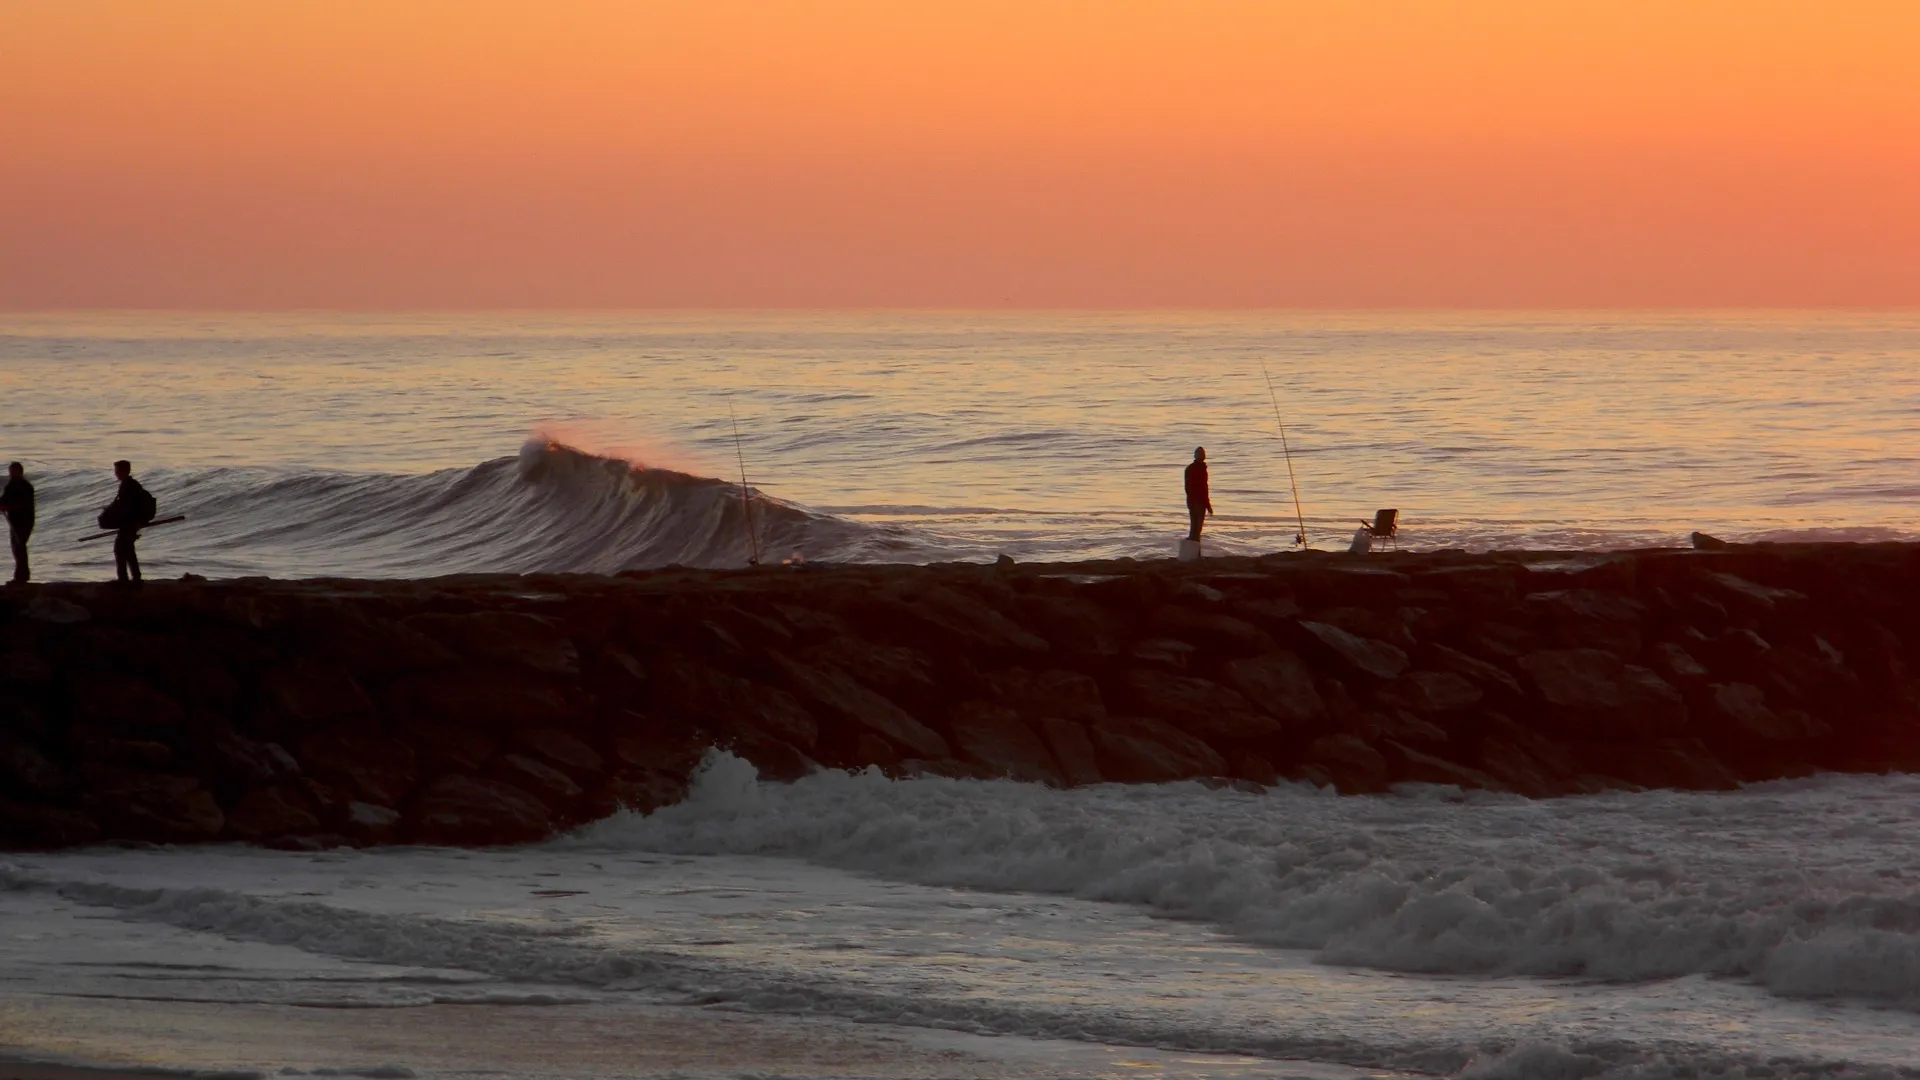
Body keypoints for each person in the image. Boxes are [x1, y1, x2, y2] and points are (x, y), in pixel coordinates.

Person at [99, 459, 156, 583]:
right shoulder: (128, 484)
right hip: (129, 523)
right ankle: (134, 578)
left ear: (125, 471)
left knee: (120, 549)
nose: (116, 473)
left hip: (129, 524)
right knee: (128, 551)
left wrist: (135, 522)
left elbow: (130, 507)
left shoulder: (130, 486)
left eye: (117, 470)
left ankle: (125, 580)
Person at [0, 462, 32, 584]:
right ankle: (20, 576)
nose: (11, 473)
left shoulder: (25, 487)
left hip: (25, 520)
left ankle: (22, 576)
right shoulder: (11, 485)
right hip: (14, 520)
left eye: (13, 471)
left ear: (20, 472)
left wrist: (7, 507)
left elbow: (22, 505)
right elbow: (5, 498)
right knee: (15, 547)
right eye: (10, 471)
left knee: (20, 546)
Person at [1184, 446, 1213, 542]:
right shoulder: (1199, 469)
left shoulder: (1191, 468)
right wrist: (1208, 505)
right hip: (1198, 501)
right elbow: (1203, 488)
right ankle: (1193, 552)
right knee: (1197, 528)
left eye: (1203, 453)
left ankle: (1193, 552)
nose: (1203, 455)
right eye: (1201, 453)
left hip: (1194, 501)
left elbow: (1188, 487)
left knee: (1194, 528)